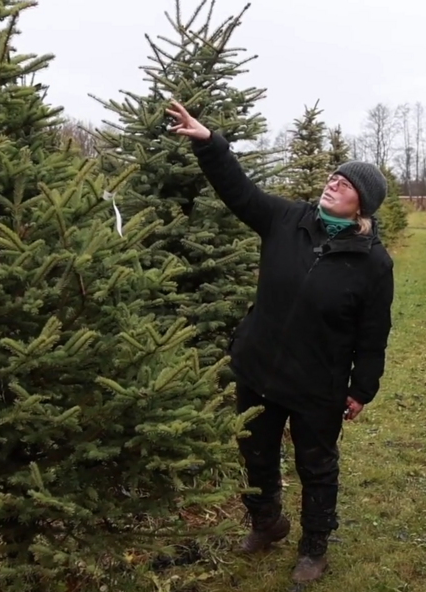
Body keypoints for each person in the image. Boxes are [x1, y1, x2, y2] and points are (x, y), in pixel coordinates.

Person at [165, 100, 394, 585]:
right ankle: (267, 522)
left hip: (317, 384)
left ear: (363, 205)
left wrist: (362, 387)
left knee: (316, 465)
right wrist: (211, 144)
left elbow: (374, 333)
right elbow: (239, 192)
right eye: (334, 177)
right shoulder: (288, 220)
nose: (333, 183)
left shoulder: (373, 263)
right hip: (258, 367)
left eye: (346, 183)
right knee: (255, 452)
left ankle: (314, 545)